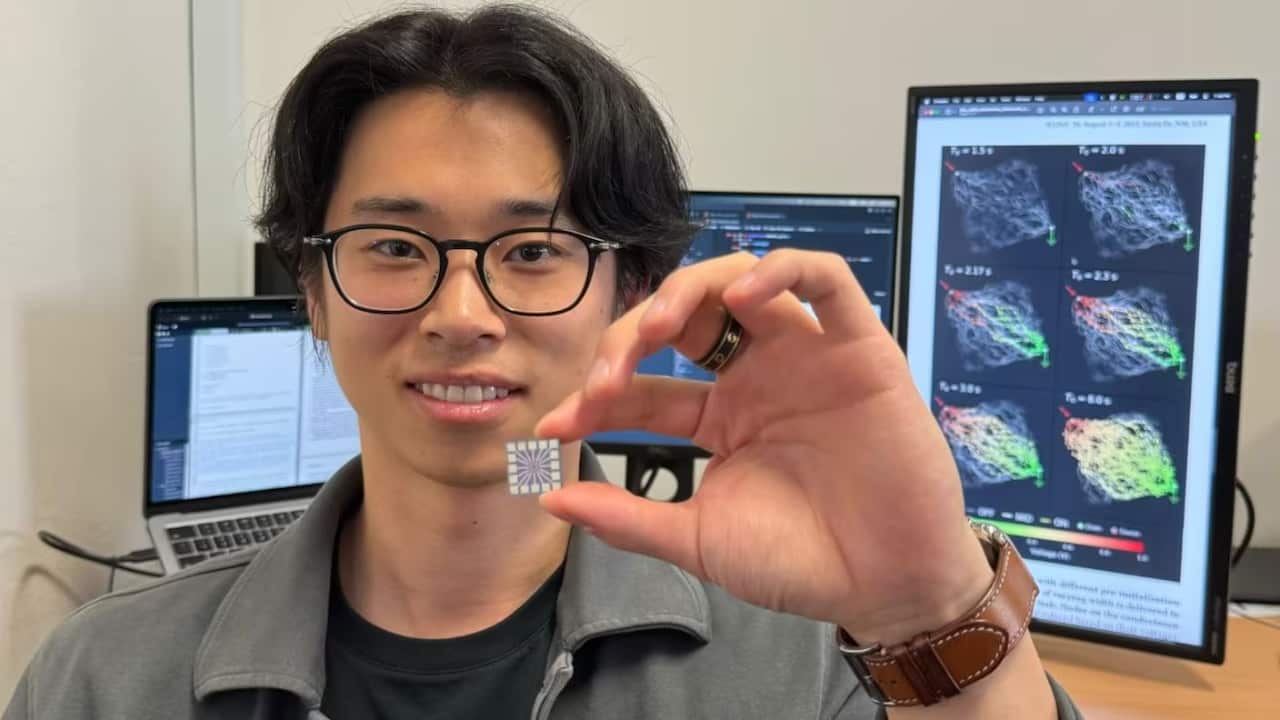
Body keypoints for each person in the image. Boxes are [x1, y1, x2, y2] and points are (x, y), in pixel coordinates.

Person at [5, 5, 1080, 719]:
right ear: (312, 295)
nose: (461, 313)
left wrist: (928, 599)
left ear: (628, 293)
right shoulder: (102, 678)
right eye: (392, 247)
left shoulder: (808, 669)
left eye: (531, 252)